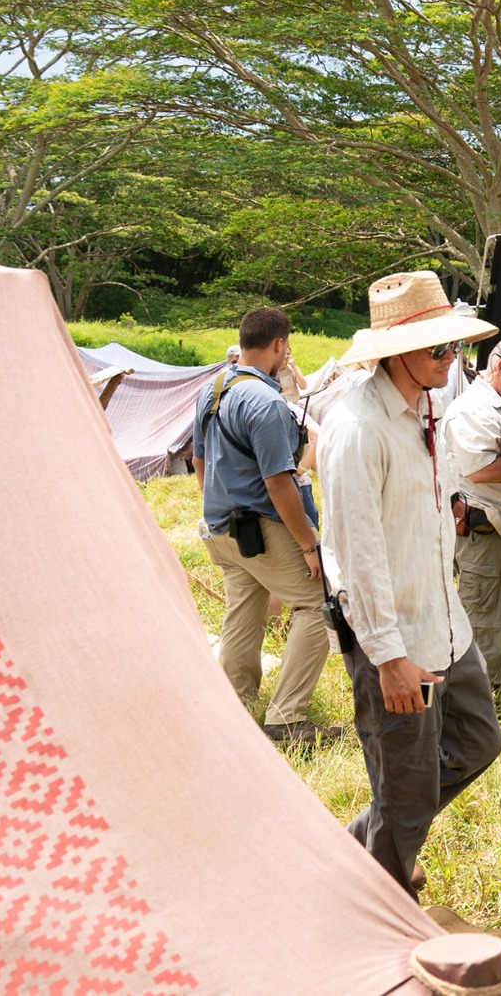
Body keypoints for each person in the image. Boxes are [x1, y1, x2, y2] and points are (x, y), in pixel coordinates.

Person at [319, 270, 501, 895]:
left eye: (455, 346)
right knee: (406, 789)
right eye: (438, 348)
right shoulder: (359, 429)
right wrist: (389, 659)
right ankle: (382, 904)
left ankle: (367, 845)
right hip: (394, 640)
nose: (451, 359)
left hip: (444, 621)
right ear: (397, 352)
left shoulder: (426, 404)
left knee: (477, 743)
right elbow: (358, 557)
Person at [192, 307, 339, 746]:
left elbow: (198, 460)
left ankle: (235, 704)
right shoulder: (267, 402)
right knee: (318, 605)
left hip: (222, 528)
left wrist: (215, 509)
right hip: (261, 528)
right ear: (279, 345)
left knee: (244, 610)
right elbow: (278, 483)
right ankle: (286, 720)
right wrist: (309, 544)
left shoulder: (211, 389)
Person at [438, 339, 501, 690]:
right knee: (485, 622)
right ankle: (483, 702)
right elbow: (481, 470)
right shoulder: (471, 410)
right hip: (485, 532)